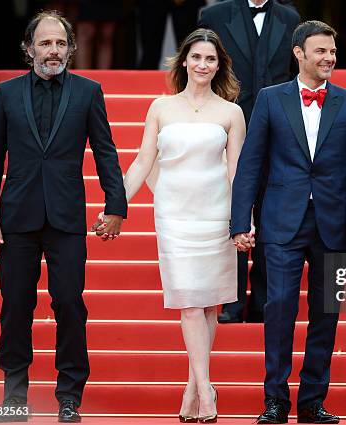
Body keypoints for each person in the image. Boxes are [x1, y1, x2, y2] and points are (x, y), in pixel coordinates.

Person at [0, 10, 127, 423]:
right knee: (16, 305)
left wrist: (115, 206)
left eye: (60, 43)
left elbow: (106, 152)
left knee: (69, 304)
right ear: (29, 49)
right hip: (16, 218)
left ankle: (69, 396)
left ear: (70, 48)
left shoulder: (87, 92)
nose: (53, 50)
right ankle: (13, 397)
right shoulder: (6, 94)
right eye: (45, 43)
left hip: (65, 218)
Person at [98, 28, 244, 422]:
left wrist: (245, 220)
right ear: (183, 61)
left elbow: (237, 172)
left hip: (217, 214)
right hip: (175, 214)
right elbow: (143, 162)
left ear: (219, 65)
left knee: (210, 304)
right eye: (196, 57)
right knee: (190, 304)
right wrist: (116, 204)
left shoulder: (231, 112)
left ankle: (194, 386)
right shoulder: (160, 107)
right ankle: (208, 393)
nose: (202, 65)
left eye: (210, 59)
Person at [230, 20, 346, 424]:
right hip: (281, 221)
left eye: (332, 51)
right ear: (299, 53)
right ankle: (275, 400)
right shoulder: (271, 100)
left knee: (326, 314)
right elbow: (251, 164)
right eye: (320, 51)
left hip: (334, 223)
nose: (329, 58)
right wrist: (242, 220)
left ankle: (312, 401)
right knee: (278, 309)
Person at [199, 0, 300, 324]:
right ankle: (230, 300)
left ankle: (262, 301)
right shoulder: (213, 16)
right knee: (233, 209)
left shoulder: (289, 17)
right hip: (227, 126)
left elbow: (292, 75)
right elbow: (204, 70)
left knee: (271, 213)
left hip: (278, 129)